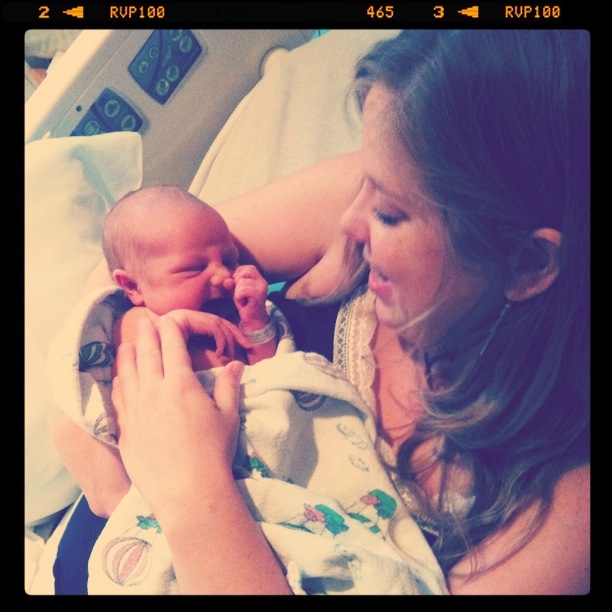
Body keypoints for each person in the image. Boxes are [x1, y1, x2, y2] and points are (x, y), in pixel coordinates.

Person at [46, 30, 590, 594]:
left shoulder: (559, 509)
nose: (349, 222)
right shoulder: (395, 165)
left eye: (389, 213)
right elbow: (133, 260)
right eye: (365, 185)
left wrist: (189, 490)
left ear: (526, 264)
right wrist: (139, 360)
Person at [104, 185, 278, 371]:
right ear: (133, 286)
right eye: (195, 268)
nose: (224, 276)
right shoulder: (136, 322)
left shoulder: (235, 317)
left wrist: (255, 323)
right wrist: (178, 324)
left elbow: (268, 370)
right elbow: (133, 373)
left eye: (229, 261)